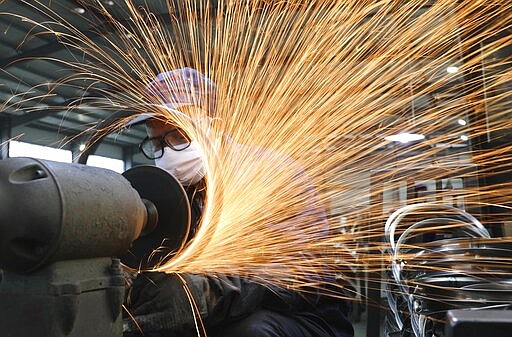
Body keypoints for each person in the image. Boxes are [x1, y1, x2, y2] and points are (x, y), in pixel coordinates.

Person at [123, 68, 354, 337]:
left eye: (179, 135)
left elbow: (299, 271)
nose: (167, 152)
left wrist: (211, 293)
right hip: (225, 313)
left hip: (303, 317)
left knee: (250, 332)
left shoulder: (271, 174)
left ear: (215, 125)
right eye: (156, 142)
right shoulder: (173, 193)